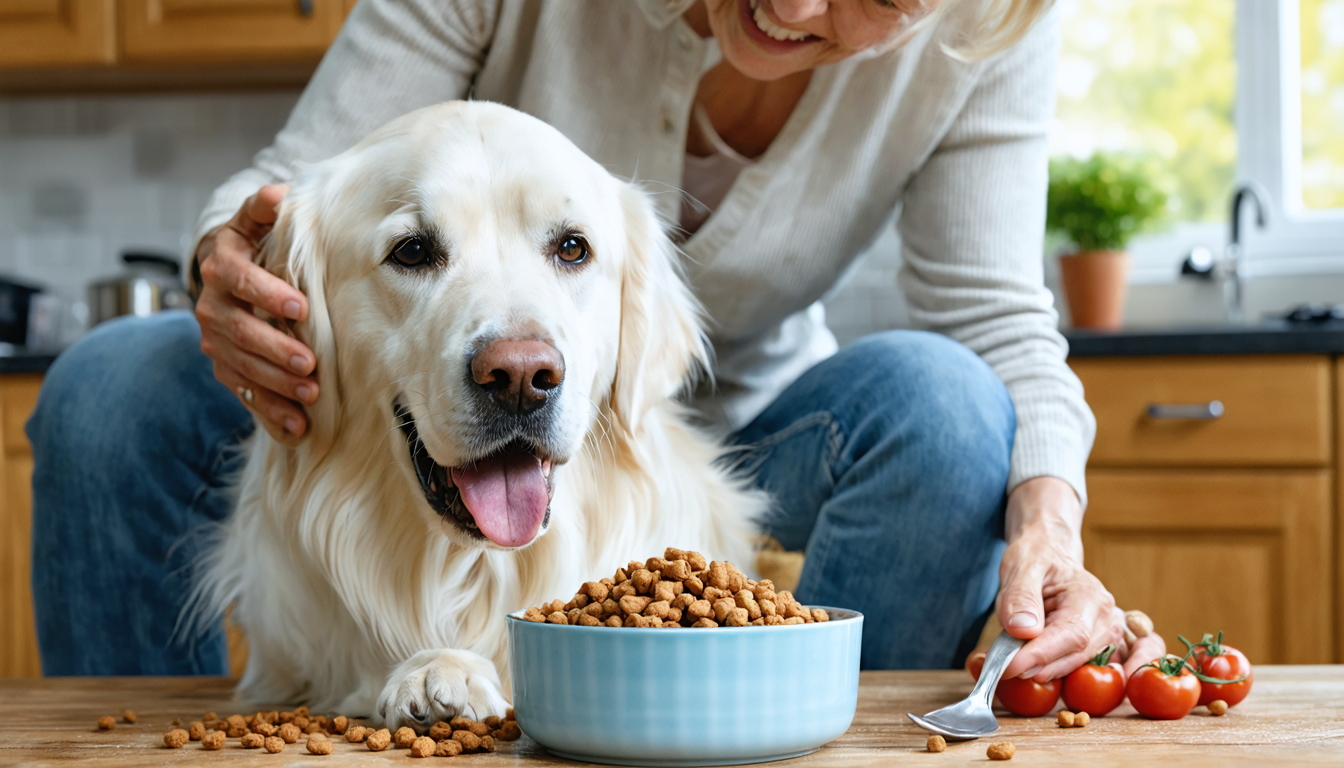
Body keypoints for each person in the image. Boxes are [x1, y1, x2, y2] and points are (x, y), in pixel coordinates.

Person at [28, 0, 1133, 681]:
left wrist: (1052, 536)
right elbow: (294, 177)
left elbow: (993, 316)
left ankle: (791, 729)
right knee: (108, 385)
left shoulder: (985, 30)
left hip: (739, 441)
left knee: (947, 406)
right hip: (418, 390)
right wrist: (230, 259)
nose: (794, 6)